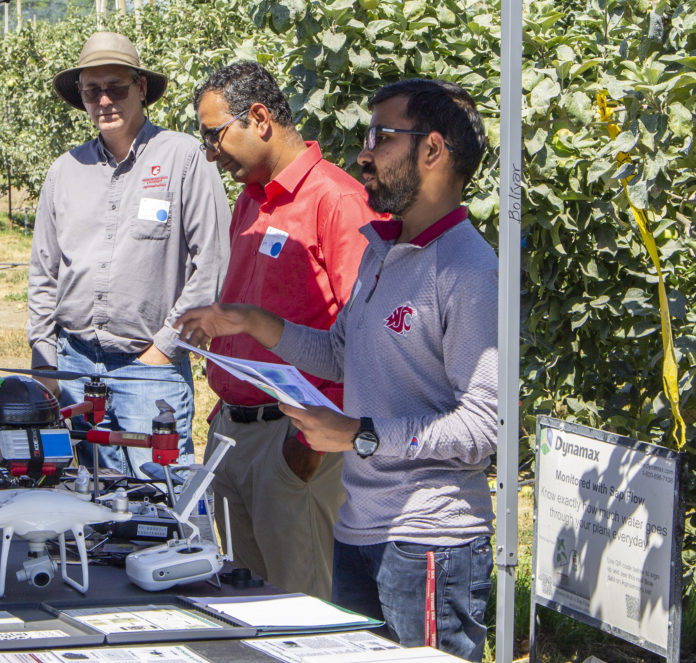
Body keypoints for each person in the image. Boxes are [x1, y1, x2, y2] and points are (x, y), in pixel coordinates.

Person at [178, 78, 497, 661]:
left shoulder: (467, 271)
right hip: (362, 528)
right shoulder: (383, 252)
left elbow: (481, 432)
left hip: (427, 544)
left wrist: (354, 434)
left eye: (381, 136)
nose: (364, 153)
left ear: (432, 151)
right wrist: (250, 320)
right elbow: (340, 353)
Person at [190, 62, 382, 599]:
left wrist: (307, 449)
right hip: (233, 435)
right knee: (237, 604)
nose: (210, 153)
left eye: (214, 135)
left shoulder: (337, 202)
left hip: (290, 444)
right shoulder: (251, 198)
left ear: (258, 118)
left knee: (301, 612)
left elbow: (366, 338)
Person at [27, 32, 230, 476]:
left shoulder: (183, 158)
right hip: (74, 365)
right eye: (91, 90)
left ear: (140, 87)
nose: (104, 100)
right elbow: (44, 272)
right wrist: (44, 355)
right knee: (88, 498)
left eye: (116, 88)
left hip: (148, 364)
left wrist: (164, 348)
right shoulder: (65, 170)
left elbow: (211, 262)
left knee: (162, 494)